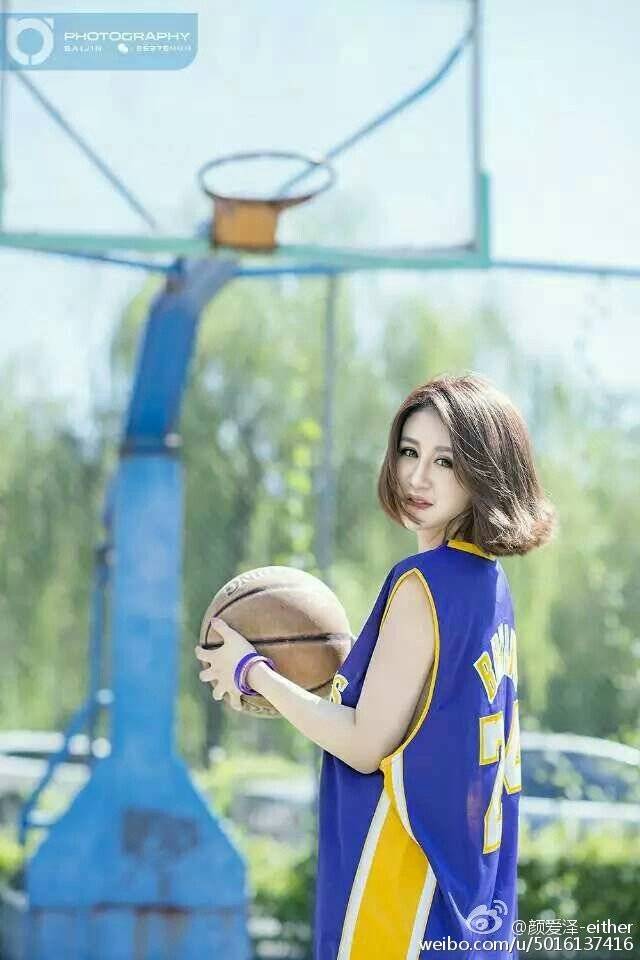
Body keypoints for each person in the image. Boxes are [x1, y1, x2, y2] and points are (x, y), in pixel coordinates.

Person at [195, 372, 556, 959]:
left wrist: (252, 672)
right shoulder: (490, 588)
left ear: (486, 470)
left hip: (401, 910)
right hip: (471, 912)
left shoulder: (424, 584)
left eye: (446, 460)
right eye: (409, 452)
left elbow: (364, 745)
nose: (418, 476)